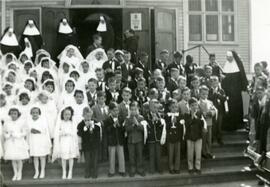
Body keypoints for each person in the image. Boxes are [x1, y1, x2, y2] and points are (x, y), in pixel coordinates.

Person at [221, 51, 248, 131]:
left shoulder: (238, 65)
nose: (228, 58)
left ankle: (237, 124)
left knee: (236, 107)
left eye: (230, 56)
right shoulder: (226, 65)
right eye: (227, 56)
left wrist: (243, 86)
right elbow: (224, 79)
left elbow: (242, 77)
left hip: (236, 91)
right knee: (229, 107)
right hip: (228, 91)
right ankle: (229, 125)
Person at [52, 106, 79, 179]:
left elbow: (75, 132)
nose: (67, 116)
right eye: (65, 114)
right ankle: (64, 171)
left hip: (70, 141)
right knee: (63, 157)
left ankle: (70, 171)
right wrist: (62, 133)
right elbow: (57, 133)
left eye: (69, 114)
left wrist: (69, 133)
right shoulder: (61, 123)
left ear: (71, 115)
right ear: (62, 115)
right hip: (63, 141)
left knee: (71, 157)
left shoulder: (72, 123)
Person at [3, 107, 29, 181]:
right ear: (9, 114)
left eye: (15, 114)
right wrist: (8, 135)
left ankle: (19, 173)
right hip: (10, 142)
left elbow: (25, 132)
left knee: (19, 159)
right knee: (13, 159)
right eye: (12, 114)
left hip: (19, 141)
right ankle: (15, 173)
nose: (13, 115)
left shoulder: (22, 122)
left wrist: (17, 135)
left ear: (18, 114)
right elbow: (4, 132)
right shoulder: (7, 123)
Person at [182, 97, 206, 175]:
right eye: (192, 105)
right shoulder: (186, 114)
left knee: (198, 153)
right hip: (189, 137)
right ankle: (190, 167)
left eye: (196, 105)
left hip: (198, 136)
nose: (194, 107)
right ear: (189, 106)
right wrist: (192, 116)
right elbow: (187, 124)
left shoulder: (199, 113)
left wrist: (196, 117)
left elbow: (202, 124)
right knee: (190, 153)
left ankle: (198, 167)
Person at [77, 107, 101, 179]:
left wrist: (94, 126)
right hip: (86, 145)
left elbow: (98, 131)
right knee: (87, 160)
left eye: (90, 116)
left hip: (94, 145)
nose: (89, 118)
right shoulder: (81, 124)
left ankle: (94, 172)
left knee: (94, 159)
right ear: (83, 115)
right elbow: (79, 133)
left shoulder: (95, 122)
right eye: (87, 116)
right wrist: (85, 127)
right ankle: (87, 172)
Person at [28, 106, 51, 179]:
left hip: (41, 140)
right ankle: (36, 171)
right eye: (33, 113)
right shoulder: (29, 120)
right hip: (33, 140)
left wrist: (37, 130)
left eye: (36, 112)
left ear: (39, 113)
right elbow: (27, 129)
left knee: (42, 156)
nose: (35, 114)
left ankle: (42, 171)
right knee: (35, 156)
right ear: (31, 113)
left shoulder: (43, 120)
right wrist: (30, 130)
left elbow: (45, 130)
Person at [124, 101, 146, 177]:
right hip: (130, 141)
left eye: (135, 109)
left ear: (138, 109)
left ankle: (140, 169)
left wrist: (137, 124)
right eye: (132, 109)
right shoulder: (127, 118)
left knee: (140, 155)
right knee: (131, 156)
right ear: (129, 110)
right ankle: (132, 169)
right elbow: (126, 129)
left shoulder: (141, 117)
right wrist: (133, 125)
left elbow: (143, 129)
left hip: (139, 140)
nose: (133, 111)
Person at [104, 102, 126, 177]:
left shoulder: (121, 118)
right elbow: (106, 130)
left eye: (117, 110)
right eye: (114, 110)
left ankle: (122, 170)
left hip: (119, 140)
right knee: (112, 157)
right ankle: (111, 171)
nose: (116, 112)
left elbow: (123, 130)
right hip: (111, 141)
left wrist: (120, 126)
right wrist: (113, 125)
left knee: (121, 156)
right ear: (110, 111)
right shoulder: (107, 119)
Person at [145, 99, 166, 174]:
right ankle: (152, 169)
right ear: (150, 107)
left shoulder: (160, 115)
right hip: (151, 138)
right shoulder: (147, 115)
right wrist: (152, 121)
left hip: (158, 138)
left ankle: (159, 169)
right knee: (152, 154)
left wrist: (158, 121)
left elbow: (162, 125)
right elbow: (147, 126)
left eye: (157, 108)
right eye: (154, 107)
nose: (155, 109)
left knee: (158, 154)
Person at [165, 99, 184, 174]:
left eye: (176, 107)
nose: (174, 109)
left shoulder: (180, 115)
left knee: (177, 153)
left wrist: (177, 123)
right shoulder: (167, 116)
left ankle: (177, 167)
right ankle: (171, 167)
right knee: (170, 153)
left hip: (177, 137)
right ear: (169, 107)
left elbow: (182, 127)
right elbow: (165, 126)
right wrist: (171, 122)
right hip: (170, 137)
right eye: (172, 107)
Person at [198, 85, 217, 159]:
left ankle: (208, 152)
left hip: (209, 122)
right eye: (203, 94)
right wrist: (203, 113)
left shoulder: (210, 102)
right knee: (203, 138)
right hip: (202, 123)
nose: (205, 95)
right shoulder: (198, 102)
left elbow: (213, 110)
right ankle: (203, 152)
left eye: (206, 94)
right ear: (199, 94)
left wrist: (210, 113)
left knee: (209, 138)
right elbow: (199, 111)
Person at [208, 76, 227, 145]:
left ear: (218, 82)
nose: (215, 83)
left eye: (216, 82)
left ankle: (219, 138)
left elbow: (224, 98)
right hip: (212, 110)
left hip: (220, 110)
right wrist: (214, 94)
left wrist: (218, 94)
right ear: (211, 83)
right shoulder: (209, 90)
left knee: (219, 125)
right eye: (213, 82)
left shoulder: (221, 90)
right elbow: (208, 98)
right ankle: (212, 138)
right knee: (213, 124)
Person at [92, 91, 109, 162]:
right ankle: (99, 158)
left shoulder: (107, 107)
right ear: (97, 99)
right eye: (99, 99)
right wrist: (98, 121)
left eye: (102, 98)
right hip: (98, 128)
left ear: (105, 99)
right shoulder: (94, 107)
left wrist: (105, 122)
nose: (101, 100)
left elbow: (109, 117)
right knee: (98, 143)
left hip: (106, 128)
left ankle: (105, 157)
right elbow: (92, 117)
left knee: (105, 142)